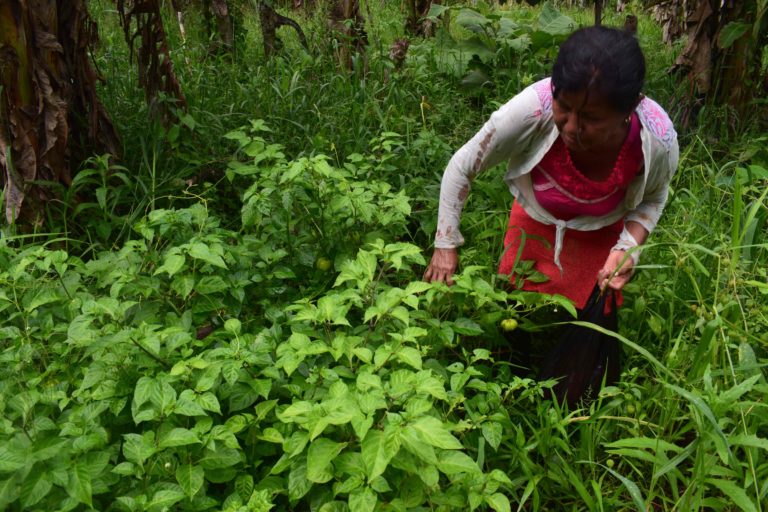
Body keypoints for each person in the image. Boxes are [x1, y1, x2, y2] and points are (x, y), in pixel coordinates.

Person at [424, 26, 678, 311]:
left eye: (590, 117)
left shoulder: (658, 140)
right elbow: (463, 165)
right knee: (514, 307)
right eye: (564, 106)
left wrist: (627, 248)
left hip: (602, 228)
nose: (571, 127)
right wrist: (445, 244)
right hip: (534, 220)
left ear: (630, 107)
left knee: (594, 311)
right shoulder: (532, 110)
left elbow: (655, 196)